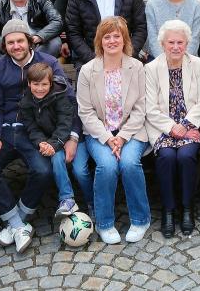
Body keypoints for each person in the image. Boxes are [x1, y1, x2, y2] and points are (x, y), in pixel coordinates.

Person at [0, 19, 89, 251]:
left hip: (34, 131)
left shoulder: (47, 63)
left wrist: (72, 136)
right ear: (4, 45)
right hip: (7, 129)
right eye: (10, 42)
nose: (16, 46)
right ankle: (18, 223)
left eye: (20, 40)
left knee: (42, 170)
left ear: (29, 41)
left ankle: (18, 219)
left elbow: (68, 101)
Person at [77, 17, 150, 244]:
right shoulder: (88, 71)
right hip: (100, 133)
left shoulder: (136, 67)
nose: (112, 40)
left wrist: (123, 137)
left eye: (116, 36)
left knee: (129, 163)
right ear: (100, 41)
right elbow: (86, 112)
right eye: (107, 36)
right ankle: (104, 223)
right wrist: (109, 139)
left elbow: (141, 107)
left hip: (132, 131)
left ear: (124, 39)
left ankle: (141, 219)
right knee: (107, 166)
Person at [144, 19, 200, 238]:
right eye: (171, 42)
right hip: (162, 127)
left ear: (187, 44)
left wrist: (187, 125)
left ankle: (187, 208)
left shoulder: (197, 64)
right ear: (162, 44)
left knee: (187, 156)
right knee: (167, 157)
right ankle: (168, 210)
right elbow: (150, 108)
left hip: (191, 125)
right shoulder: (151, 68)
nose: (176, 47)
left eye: (180, 42)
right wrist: (172, 128)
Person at [18, 63, 79, 218]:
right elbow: (31, 127)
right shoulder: (26, 102)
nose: (40, 88)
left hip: (61, 138)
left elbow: (65, 123)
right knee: (54, 157)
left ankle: (67, 199)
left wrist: (54, 144)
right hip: (45, 140)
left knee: (57, 158)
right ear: (29, 84)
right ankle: (67, 198)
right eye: (36, 84)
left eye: (44, 84)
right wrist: (41, 142)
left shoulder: (60, 96)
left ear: (50, 84)